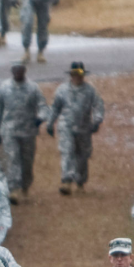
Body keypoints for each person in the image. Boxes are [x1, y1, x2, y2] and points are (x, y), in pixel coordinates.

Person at [0, 62, 48, 203]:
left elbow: (43, 106)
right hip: (9, 130)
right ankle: (14, 190)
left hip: (28, 131)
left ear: (25, 71)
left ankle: (25, 187)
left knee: (27, 161)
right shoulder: (4, 87)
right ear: (12, 71)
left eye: (20, 70)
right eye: (15, 70)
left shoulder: (33, 88)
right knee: (13, 159)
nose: (18, 73)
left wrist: (40, 118)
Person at [47, 62, 105, 195]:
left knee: (82, 157)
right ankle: (66, 182)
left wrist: (96, 121)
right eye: (75, 75)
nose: (77, 77)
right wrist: (50, 123)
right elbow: (55, 108)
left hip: (84, 128)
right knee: (67, 153)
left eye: (80, 75)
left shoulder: (90, 90)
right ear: (71, 75)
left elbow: (98, 106)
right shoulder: (62, 90)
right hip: (66, 127)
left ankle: (80, 183)